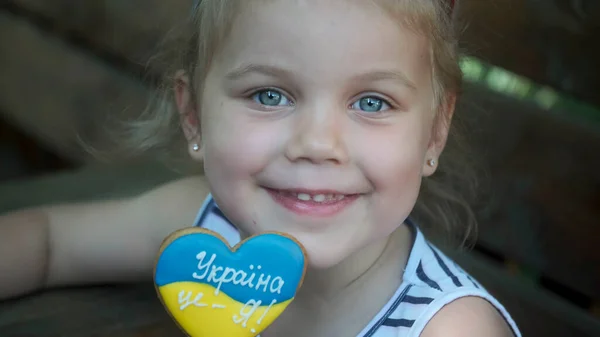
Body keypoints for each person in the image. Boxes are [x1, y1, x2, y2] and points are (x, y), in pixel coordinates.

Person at [0, 0, 521, 336]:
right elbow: (48, 241)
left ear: (434, 132)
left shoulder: (447, 329)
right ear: (193, 114)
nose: (318, 144)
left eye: (371, 102)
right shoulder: (202, 228)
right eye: (269, 94)